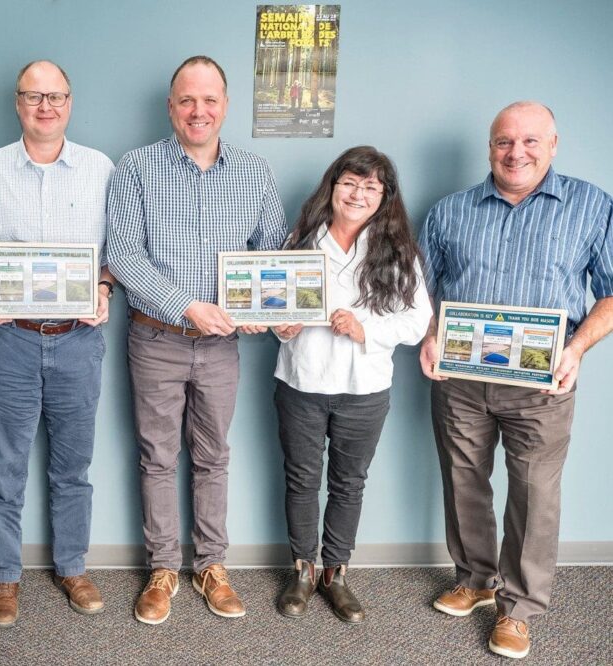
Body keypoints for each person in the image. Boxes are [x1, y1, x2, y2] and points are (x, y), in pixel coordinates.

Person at [418, 101, 613, 659]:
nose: (516, 152)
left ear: (553, 144)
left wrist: (577, 347)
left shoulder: (592, 207)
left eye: (530, 141)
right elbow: (420, 290)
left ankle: (520, 608)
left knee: (533, 493)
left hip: (542, 385)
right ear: (490, 147)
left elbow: (611, 292)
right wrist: (431, 333)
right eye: (505, 141)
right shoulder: (449, 211)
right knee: (463, 481)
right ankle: (476, 579)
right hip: (459, 379)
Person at [107, 55, 287, 625]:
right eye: (187, 100)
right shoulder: (135, 168)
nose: (198, 110)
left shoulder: (254, 172)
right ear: (171, 106)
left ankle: (211, 566)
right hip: (155, 337)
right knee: (157, 456)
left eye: (209, 100)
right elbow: (124, 256)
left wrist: (264, 305)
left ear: (225, 106)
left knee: (214, 457)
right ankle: (163, 569)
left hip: (221, 349)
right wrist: (185, 306)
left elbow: (274, 253)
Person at [0, 60, 115, 628]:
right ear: (18, 104)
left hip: (78, 341)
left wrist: (102, 286)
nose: (45, 106)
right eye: (33, 96)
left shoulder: (99, 169)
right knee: (5, 468)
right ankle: (4, 576)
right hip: (10, 340)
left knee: (73, 466)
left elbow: (116, 249)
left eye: (55, 96)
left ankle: (71, 565)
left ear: (69, 102)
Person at [270, 146, 431, 623]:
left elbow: (418, 321)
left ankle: (335, 573)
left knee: (348, 483)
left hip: (364, 389)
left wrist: (367, 328)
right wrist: (285, 325)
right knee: (300, 478)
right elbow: (273, 306)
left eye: (370, 187)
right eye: (349, 183)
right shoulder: (299, 239)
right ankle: (302, 569)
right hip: (301, 382)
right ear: (332, 187)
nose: (358, 194)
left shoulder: (398, 251)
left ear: (384, 197)